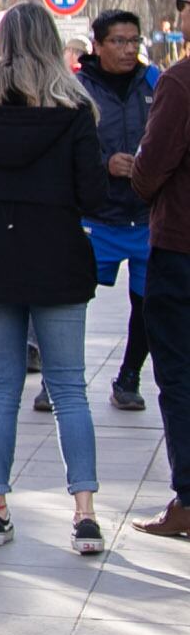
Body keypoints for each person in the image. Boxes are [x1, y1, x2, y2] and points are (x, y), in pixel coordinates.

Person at [0, 3, 109, 555]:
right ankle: (83, 515)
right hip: (56, 257)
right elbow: (94, 196)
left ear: (1, 45)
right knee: (70, 387)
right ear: (53, 44)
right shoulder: (74, 110)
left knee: (2, 383)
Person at [119, 33, 190, 540]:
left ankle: (188, 500)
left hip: (182, 249)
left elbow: (147, 174)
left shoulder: (181, 83)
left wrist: (138, 169)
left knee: (181, 378)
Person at [70, 11, 158, 412]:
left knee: (148, 305)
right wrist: (105, 163)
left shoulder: (155, 83)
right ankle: (61, 379)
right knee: (69, 300)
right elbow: (66, 149)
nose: (128, 50)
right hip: (95, 217)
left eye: (134, 41)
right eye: (119, 42)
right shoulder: (77, 89)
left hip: (145, 216)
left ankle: (129, 377)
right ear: (98, 45)